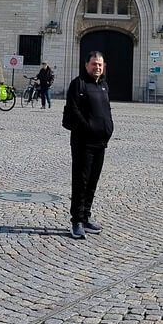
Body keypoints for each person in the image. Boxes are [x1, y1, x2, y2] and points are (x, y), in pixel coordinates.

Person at [62, 51, 114, 239]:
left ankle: (86, 216)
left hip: (101, 142)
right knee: (81, 181)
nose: (97, 67)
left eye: (100, 64)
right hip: (83, 142)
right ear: (86, 65)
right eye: (94, 64)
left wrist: (109, 128)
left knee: (92, 182)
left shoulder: (103, 86)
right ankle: (76, 220)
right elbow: (74, 111)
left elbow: (106, 110)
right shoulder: (78, 84)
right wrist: (88, 128)